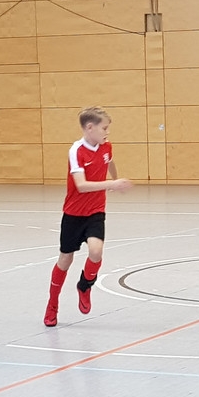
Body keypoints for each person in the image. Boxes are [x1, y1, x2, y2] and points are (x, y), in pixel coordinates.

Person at [44, 106, 132, 327]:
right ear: (90, 127)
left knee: (96, 251)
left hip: (96, 211)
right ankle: (52, 304)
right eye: (104, 128)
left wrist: (115, 180)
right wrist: (111, 183)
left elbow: (109, 161)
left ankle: (84, 285)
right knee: (65, 260)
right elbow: (81, 185)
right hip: (73, 214)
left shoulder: (106, 146)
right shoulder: (76, 151)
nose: (107, 132)